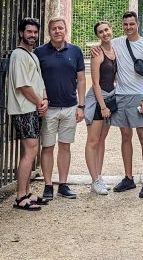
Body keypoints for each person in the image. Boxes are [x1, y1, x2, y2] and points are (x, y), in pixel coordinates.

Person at [95, 11, 143, 198]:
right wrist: (95, 49)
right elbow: (102, 47)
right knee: (125, 136)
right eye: (125, 24)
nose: (129, 27)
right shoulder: (117, 42)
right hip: (121, 95)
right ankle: (129, 177)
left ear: (137, 24)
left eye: (132, 24)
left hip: (139, 95)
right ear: (122, 26)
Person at [35, 18, 86, 200]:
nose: (57, 31)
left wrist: (81, 105)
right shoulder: (39, 52)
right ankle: (48, 185)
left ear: (66, 30)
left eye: (60, 28)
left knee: (65, 146)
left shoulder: (75, 51)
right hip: (48, 108)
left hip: (70, 106)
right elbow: (35, 79)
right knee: (47, 147)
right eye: (54, 28)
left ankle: (63, 184)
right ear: (49, 31)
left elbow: (81, 79)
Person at [7, 17, 49, 211]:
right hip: (25, 109)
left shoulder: (30, 54)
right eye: (29, 32)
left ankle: (26, 191)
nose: (32, 35)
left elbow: (37, 82)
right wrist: (40, 102)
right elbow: (23, 85)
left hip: (33, 107)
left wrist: (44, 100)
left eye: (35, 32)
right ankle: (20, 197)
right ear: (21, 33)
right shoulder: (18, 55)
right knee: (30, 151)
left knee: (31, 151)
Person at [84, 20, 117, 196]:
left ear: (111, 30)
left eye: (106, 30)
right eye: (101, 32)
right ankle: (95, 179)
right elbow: (95, 83)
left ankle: (98, 176)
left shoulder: (115, 50)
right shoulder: (97, 53)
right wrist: (103, 106)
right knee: (93, 140)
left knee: (102, 140)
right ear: (98, 36)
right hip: (99, 99)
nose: (104, 33)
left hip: (110, 97)